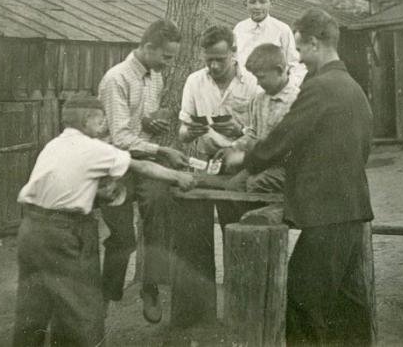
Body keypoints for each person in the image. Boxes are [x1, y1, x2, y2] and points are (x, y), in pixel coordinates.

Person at [222, 8, 376, 346]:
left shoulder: (321, 87)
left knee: (303, 301)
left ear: (316, 43)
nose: (300, 59)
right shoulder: (351, 86)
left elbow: (286, 135)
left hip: (328, 212)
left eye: (302, 49)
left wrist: (245, 158)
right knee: (348, 305)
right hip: (351, 208)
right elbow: (363, 148)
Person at [13, 96, 195, 347]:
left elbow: (63, 184)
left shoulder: (53, 146)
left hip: (31, 228)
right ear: (88, 120)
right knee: (82, 310)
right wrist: (178, 177)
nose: (105, 128)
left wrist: (96, 192)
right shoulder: (94, 148)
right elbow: (140, 166)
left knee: (34, 307)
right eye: (101, 122)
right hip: (65, 232)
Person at [98, 19, 188, 323]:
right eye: (166, 56)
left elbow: (139, 123)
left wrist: (150, 122)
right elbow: (121, 137)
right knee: (122, 236)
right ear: (148, 47)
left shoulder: (155, 77)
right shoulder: (116, 78)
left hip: (143, 162)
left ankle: (150, 287)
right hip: (115, 164)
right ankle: (107, 295)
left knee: (160, 203)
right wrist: (163, 150)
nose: (169, 63)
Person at [215, 43, 299, 227]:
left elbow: (289, 147)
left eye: (261, 77)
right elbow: (252, 133)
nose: (258, 83)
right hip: (259, 164)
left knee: (256, 183)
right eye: (255, 78)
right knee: (232, 188)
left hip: (286, 167)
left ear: (279, 70)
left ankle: (265, 225)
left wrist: (247, 158)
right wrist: (232, 147)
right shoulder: (259, 100)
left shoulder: (296, 102)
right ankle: (241, 237)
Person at [178, 25, 260, 160]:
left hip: (242, 158)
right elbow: (183, 133)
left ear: (233, 52)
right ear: (203, 54)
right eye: (209, 60)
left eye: (220, 60)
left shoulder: (253, 82)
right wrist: (190, 132)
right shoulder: (194, 81)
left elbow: (264, 134)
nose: (214, 66)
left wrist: (239, 131)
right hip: (206, 159)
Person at [233, 0, 306, 86]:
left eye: (262, 1)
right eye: (252, 2)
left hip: (271, 91)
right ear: (245, 3)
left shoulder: (282, 30)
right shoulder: (239, 28)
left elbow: (297, 65)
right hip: (242, 90)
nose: (257, 7)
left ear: (271, 3)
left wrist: (288, 88)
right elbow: (234, 61)